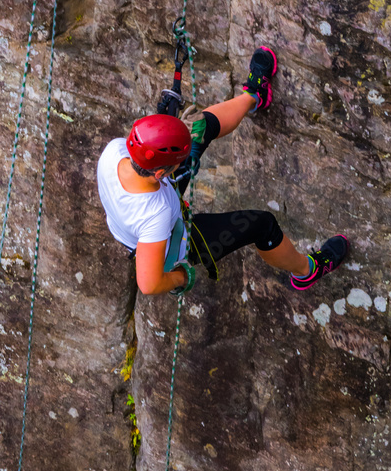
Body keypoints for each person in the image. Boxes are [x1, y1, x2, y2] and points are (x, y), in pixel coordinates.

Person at [96, 46, 348, 296]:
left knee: (200, 126)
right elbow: (148, 284)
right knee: (263, 224)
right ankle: (307, 271)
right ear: (162, 173)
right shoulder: (156, 214)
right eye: (178, 159)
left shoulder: (115, 151)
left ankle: (254, 96)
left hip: (149, 205)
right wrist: (181, 277)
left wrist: (175, 130)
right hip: (173, 242)